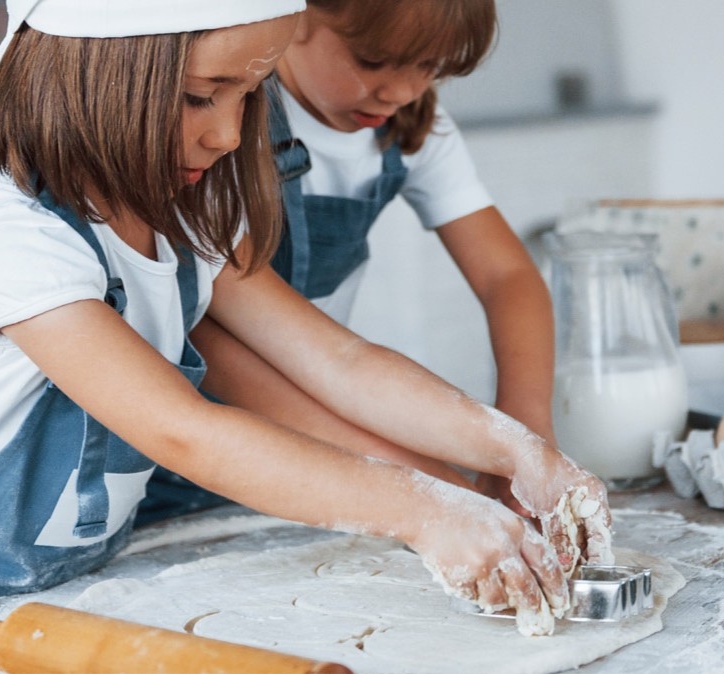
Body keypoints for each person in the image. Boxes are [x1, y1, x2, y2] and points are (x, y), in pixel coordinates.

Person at [0, 0, 610, 647]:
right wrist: (426, 512)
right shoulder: (18, 242)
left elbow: (340, 361)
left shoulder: (188, 221)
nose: (229, 134)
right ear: (91, 73)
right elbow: (186, 432)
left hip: (42, 602)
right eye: (200, 96)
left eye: (249, 96)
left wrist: (516, 448)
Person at [147, 0, 555, 523]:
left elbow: (507, 275)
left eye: (430, 67)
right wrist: (434, 488)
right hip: (182, 457)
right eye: (373, 61)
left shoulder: (412, 125)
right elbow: (221, 349)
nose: (400, 92)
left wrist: (525, 435)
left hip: (325, 437)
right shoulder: (216, 130)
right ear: (296, 15)